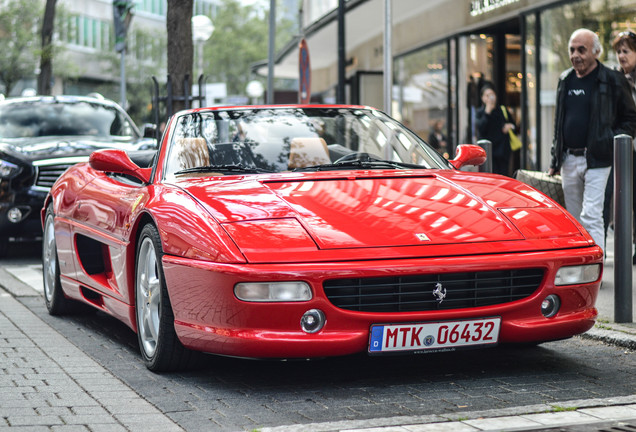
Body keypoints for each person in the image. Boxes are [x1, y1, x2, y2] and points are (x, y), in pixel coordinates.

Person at [548, 28, 636, 255]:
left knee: (592, 214)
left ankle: (595, 270)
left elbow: (630, 117)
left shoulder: (612, 80)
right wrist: (555, 158)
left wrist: (612, 141)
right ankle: (579, 266)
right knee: (575, 219)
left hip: (598, 158)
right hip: (568, 159)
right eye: (572, 50)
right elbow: (559, 122)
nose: (576, 55)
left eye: (582, 50)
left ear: (596, 52)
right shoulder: (565, 79)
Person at [603, 30, 636, 263]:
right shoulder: (614, 79)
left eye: (626, 51)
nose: (621, 56)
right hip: (620, 146)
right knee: (617, 196)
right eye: (618, 52)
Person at [475, 83, 516, 176]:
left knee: (503, 176)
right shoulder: (480, 112)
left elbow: (514, 125)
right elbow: (481, 129)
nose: (490, 98)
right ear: (483, 98)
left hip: (502, 151)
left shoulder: (502, 110)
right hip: (488, 153)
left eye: (492, 94)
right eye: (487, 95)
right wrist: (487, 111)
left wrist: (509, 126)